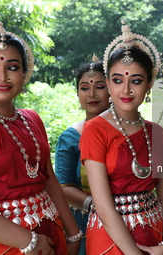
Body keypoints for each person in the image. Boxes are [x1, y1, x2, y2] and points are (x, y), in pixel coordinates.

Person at [0, 21, 81, 254]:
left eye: (13, 67)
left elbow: (49, 179)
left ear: (25, 73)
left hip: (50, 234)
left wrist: (73, 231)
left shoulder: (31, 119)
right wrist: (29, 241)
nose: (2, 76)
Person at [79, 21, 163, 255]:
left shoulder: (156, 133)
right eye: (117, 80)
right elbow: (102, 206)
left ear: (150, 84)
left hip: (156, 232)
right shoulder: (95, 129)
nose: (126, 90)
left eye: (136, 81)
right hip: (110, 237)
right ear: (109, 84)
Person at [55, 55, 110, 254]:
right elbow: (63, 186)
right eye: (85, 88)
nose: (92, 94)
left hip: (131, 216)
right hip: (85, 222)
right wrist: (102, 207)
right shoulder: (71, 137)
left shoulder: (129, 133)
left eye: (100, 87)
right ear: (78, 93)